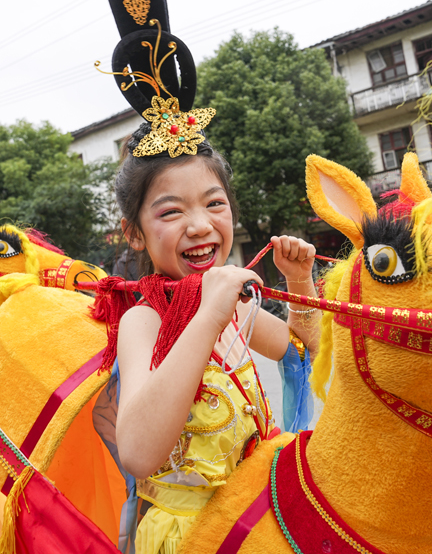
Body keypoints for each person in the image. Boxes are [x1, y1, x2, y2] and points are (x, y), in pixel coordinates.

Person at [110, 122, 320, 553]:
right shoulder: (144, 320)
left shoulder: (236, 307)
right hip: (190, 539)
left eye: (215, 204)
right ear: (134, 233)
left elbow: (300, 351)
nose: (201, 225)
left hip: (258, 524)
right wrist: (208, 314)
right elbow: (136, 452)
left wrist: (300, 282)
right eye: (171, 212)